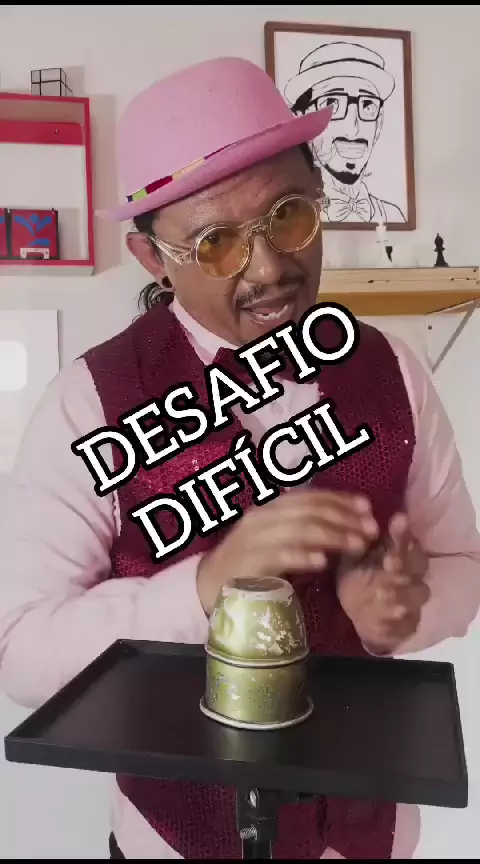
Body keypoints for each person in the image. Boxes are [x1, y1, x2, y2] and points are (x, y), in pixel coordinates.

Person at [0, 56, 479, 860]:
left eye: (289, 217)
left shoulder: (393, 369)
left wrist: (400, 613)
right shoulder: (87, 403)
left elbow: (463, 563)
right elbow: (19, 652)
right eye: (216, 243)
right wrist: (204, 588)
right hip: (173, 841)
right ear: (152, 258)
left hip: (371, 838)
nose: (269, 268)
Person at [285, 41, 406, 223]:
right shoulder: (294, 219)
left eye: (367, 106)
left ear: (379, 123)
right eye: (331, 104)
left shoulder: (392, 214)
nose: (353, 129)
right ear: (302, 119)